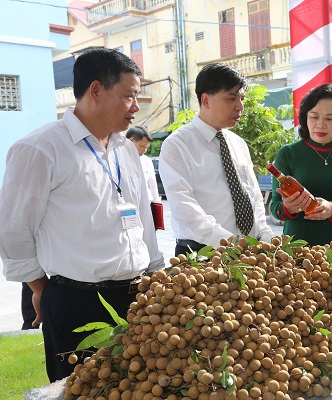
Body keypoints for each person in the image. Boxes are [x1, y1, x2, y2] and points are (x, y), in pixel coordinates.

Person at [0, 47, 164, 382]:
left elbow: (143, 220)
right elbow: (13, 230)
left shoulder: (125, 150)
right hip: (78, 302)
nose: (136, 106)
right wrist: (42, 288)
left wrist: (155, 276)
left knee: (138, 386)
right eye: (130, 95)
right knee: (81, 388)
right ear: (96, 90)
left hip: (136, 298)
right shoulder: (40, 149)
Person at [159, 63, 273, 256]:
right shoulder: (178, 144)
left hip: (248, 255)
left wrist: (264, 233)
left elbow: (253, 196)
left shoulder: (238, 143)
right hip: (203, 254)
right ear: (206, 100)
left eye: (241, 98)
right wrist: (228, 242)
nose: (240, 106)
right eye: (231, 98)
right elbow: (184, 208)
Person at [270, 84, 332, 257]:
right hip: (298, 248)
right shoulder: (288, 153)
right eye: (314, 117)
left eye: (330, 118)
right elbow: (275, 208)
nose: (320, 125)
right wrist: (288, 207)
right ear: (305, 118)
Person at [126, 125, 161, 202]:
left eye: (147, 147)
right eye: (143, 146)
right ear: (131, 141)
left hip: (148, 205)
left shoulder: (146, 161)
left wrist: (157, 203)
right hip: (127, 209)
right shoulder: (118, 159)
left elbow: (153, 187)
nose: (145, 150)